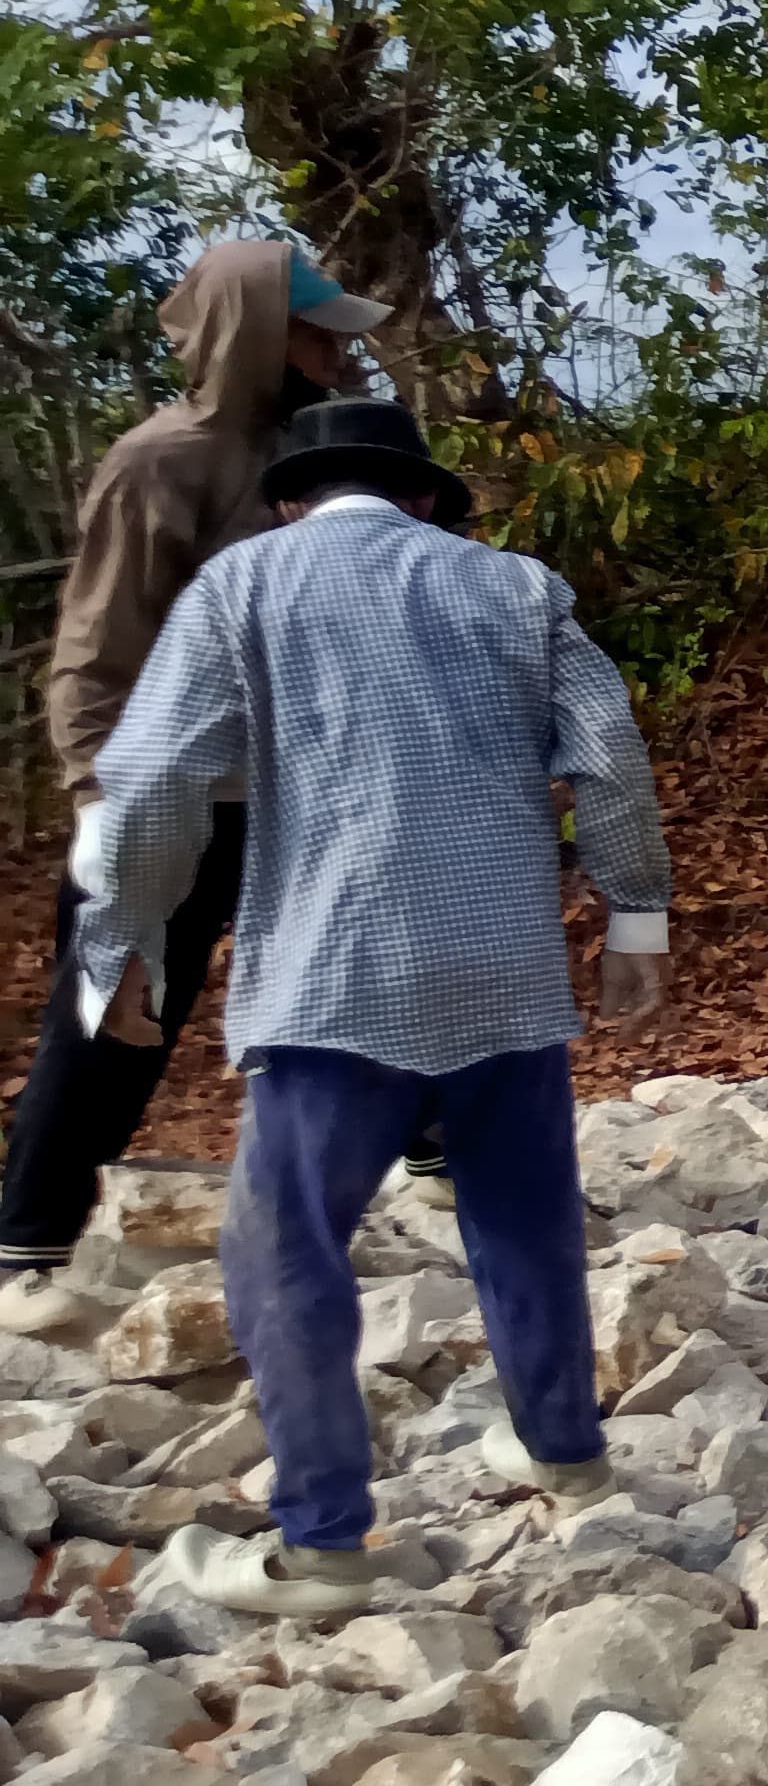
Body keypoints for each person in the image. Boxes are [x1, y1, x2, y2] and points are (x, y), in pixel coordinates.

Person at [82, 399, 673, 1616]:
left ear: (294, 497)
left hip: (333, 971)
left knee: (281, 1244)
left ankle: (323, 1543)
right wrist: (635, 916)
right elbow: (607, 753)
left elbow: (150, 778)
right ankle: (565, 1454)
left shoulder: (244, 584)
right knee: (522, 1216)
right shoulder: (516, 589)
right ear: (420, 500)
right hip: (504, 966)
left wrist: (122, 941)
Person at [0, 242, 433, 1335]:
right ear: (249, 334)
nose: (342, 350)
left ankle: (443, 1166)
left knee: (386, 968)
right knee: (113, 1016)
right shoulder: (163, 465)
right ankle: (28, 1243)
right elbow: (97, 650)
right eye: (317, 330)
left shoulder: (319, 453)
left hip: (312, 789)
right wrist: (100, 802)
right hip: (178, 792)